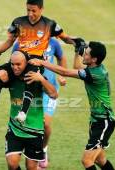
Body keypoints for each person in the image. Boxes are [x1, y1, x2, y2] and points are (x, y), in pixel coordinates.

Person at [0, 0, 78, 130]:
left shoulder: (50, 24)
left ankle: (23, 113)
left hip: (35, 61)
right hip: (20, 59)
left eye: (34, 11)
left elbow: (65, 38)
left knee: (31, 75)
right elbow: (9, 41)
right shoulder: (18, 22)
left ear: (41, 9)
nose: (30, 14)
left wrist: (78, 42)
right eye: (28, 10)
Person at [29, 41, 115, 170]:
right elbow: (77, 67)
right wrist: (77, 52)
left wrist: (42, 62)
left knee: (87, 160)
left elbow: (65, 72)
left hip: (104, 121)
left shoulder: (95, 74)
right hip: (96, 120)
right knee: (100, 159)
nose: (83, 55)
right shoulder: (93, 68)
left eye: (86, 54)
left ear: (94, 59)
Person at [0, 51, 57, 170]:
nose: (15, 67)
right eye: (12, 64)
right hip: (14, 129)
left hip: (35, 131)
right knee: (12, 164)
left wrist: (42, 79)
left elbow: (54, 94)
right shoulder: (11, 78)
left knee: (31, 167)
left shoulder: (36, 78)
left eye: (18, 64)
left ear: (26, 63)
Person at [13, 38, 67, 168]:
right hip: (30, 88)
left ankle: (43, 149)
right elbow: (14, 62)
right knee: (27, 120)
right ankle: (26, 151)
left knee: (46, 124)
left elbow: (62, 57)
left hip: (48, 87)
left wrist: (62, 74)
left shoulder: (53, 42)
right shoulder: (19, 42)